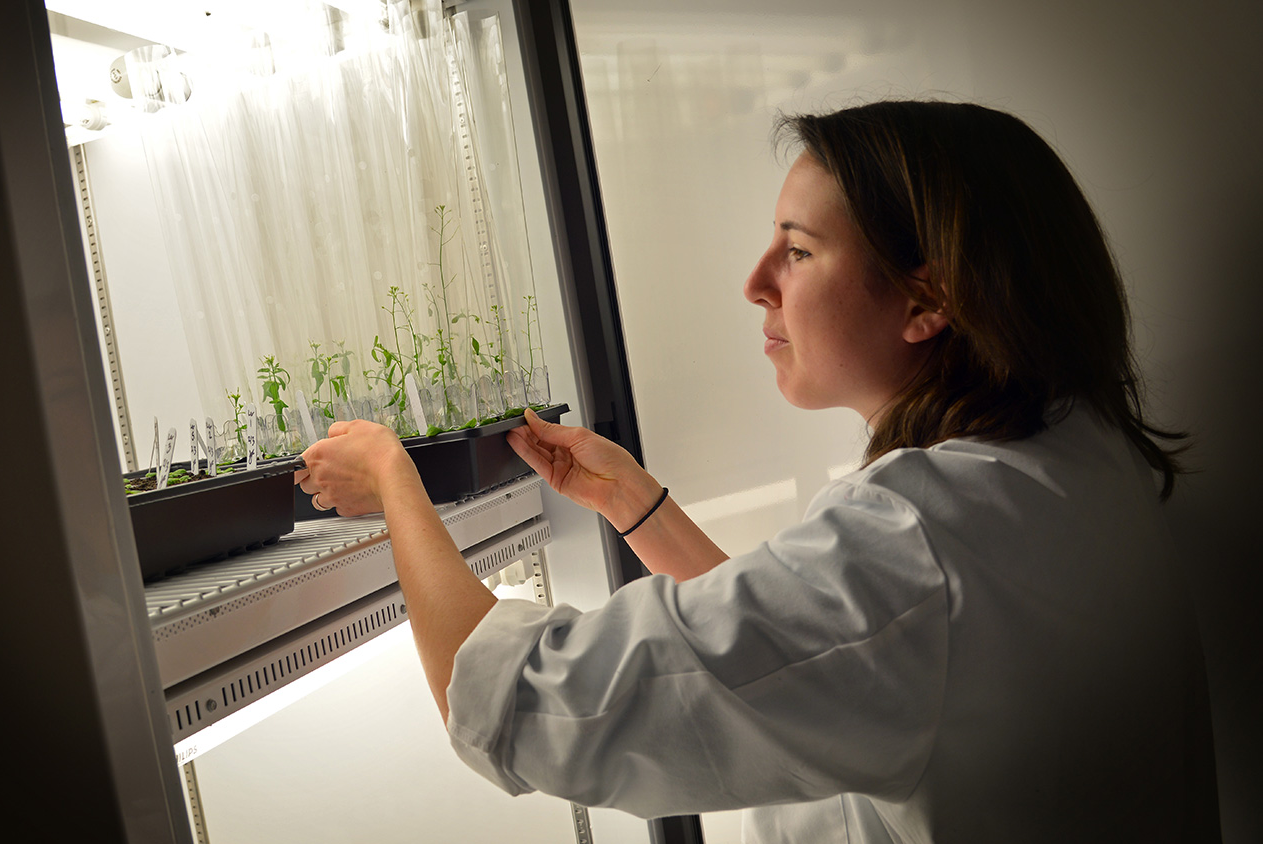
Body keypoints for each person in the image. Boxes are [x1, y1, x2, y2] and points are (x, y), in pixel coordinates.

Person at [294, 100, 1219, 842]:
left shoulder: (917, 538)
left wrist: (393, 481)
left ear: (928, 299)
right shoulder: (1064, 460)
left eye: (800, 250)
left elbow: (521, 705)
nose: (755, 282)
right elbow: (834, 666)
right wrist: (637, 505)